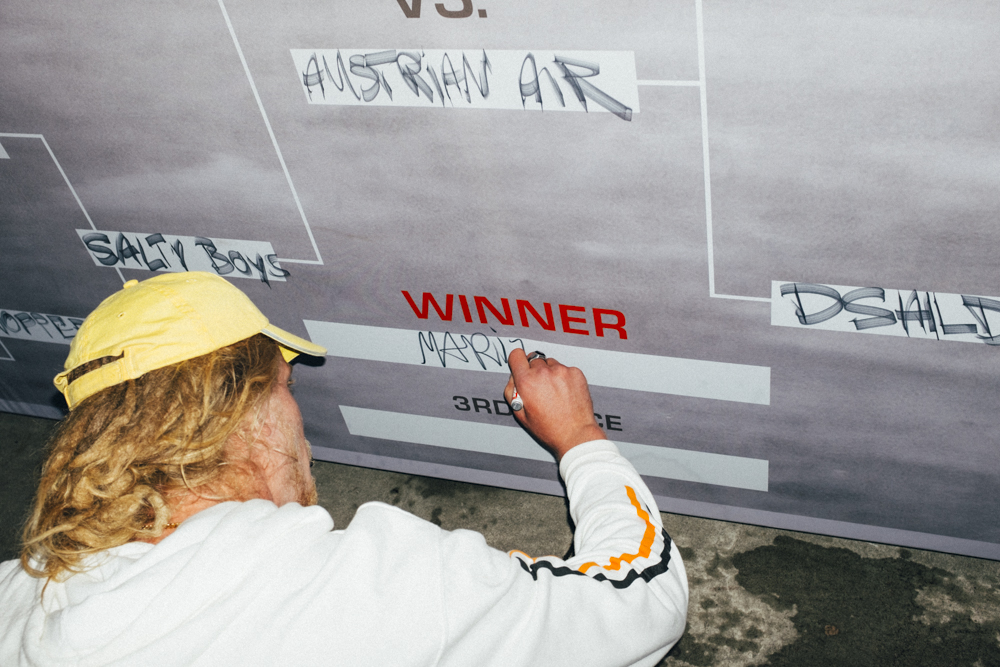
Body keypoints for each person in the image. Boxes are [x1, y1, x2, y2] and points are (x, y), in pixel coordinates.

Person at [0, 272, 688, 666]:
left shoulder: (19, 599)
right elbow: (643, 600)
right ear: (242, 411)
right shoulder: (378, 589)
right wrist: (580, 437)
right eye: (286, 388)